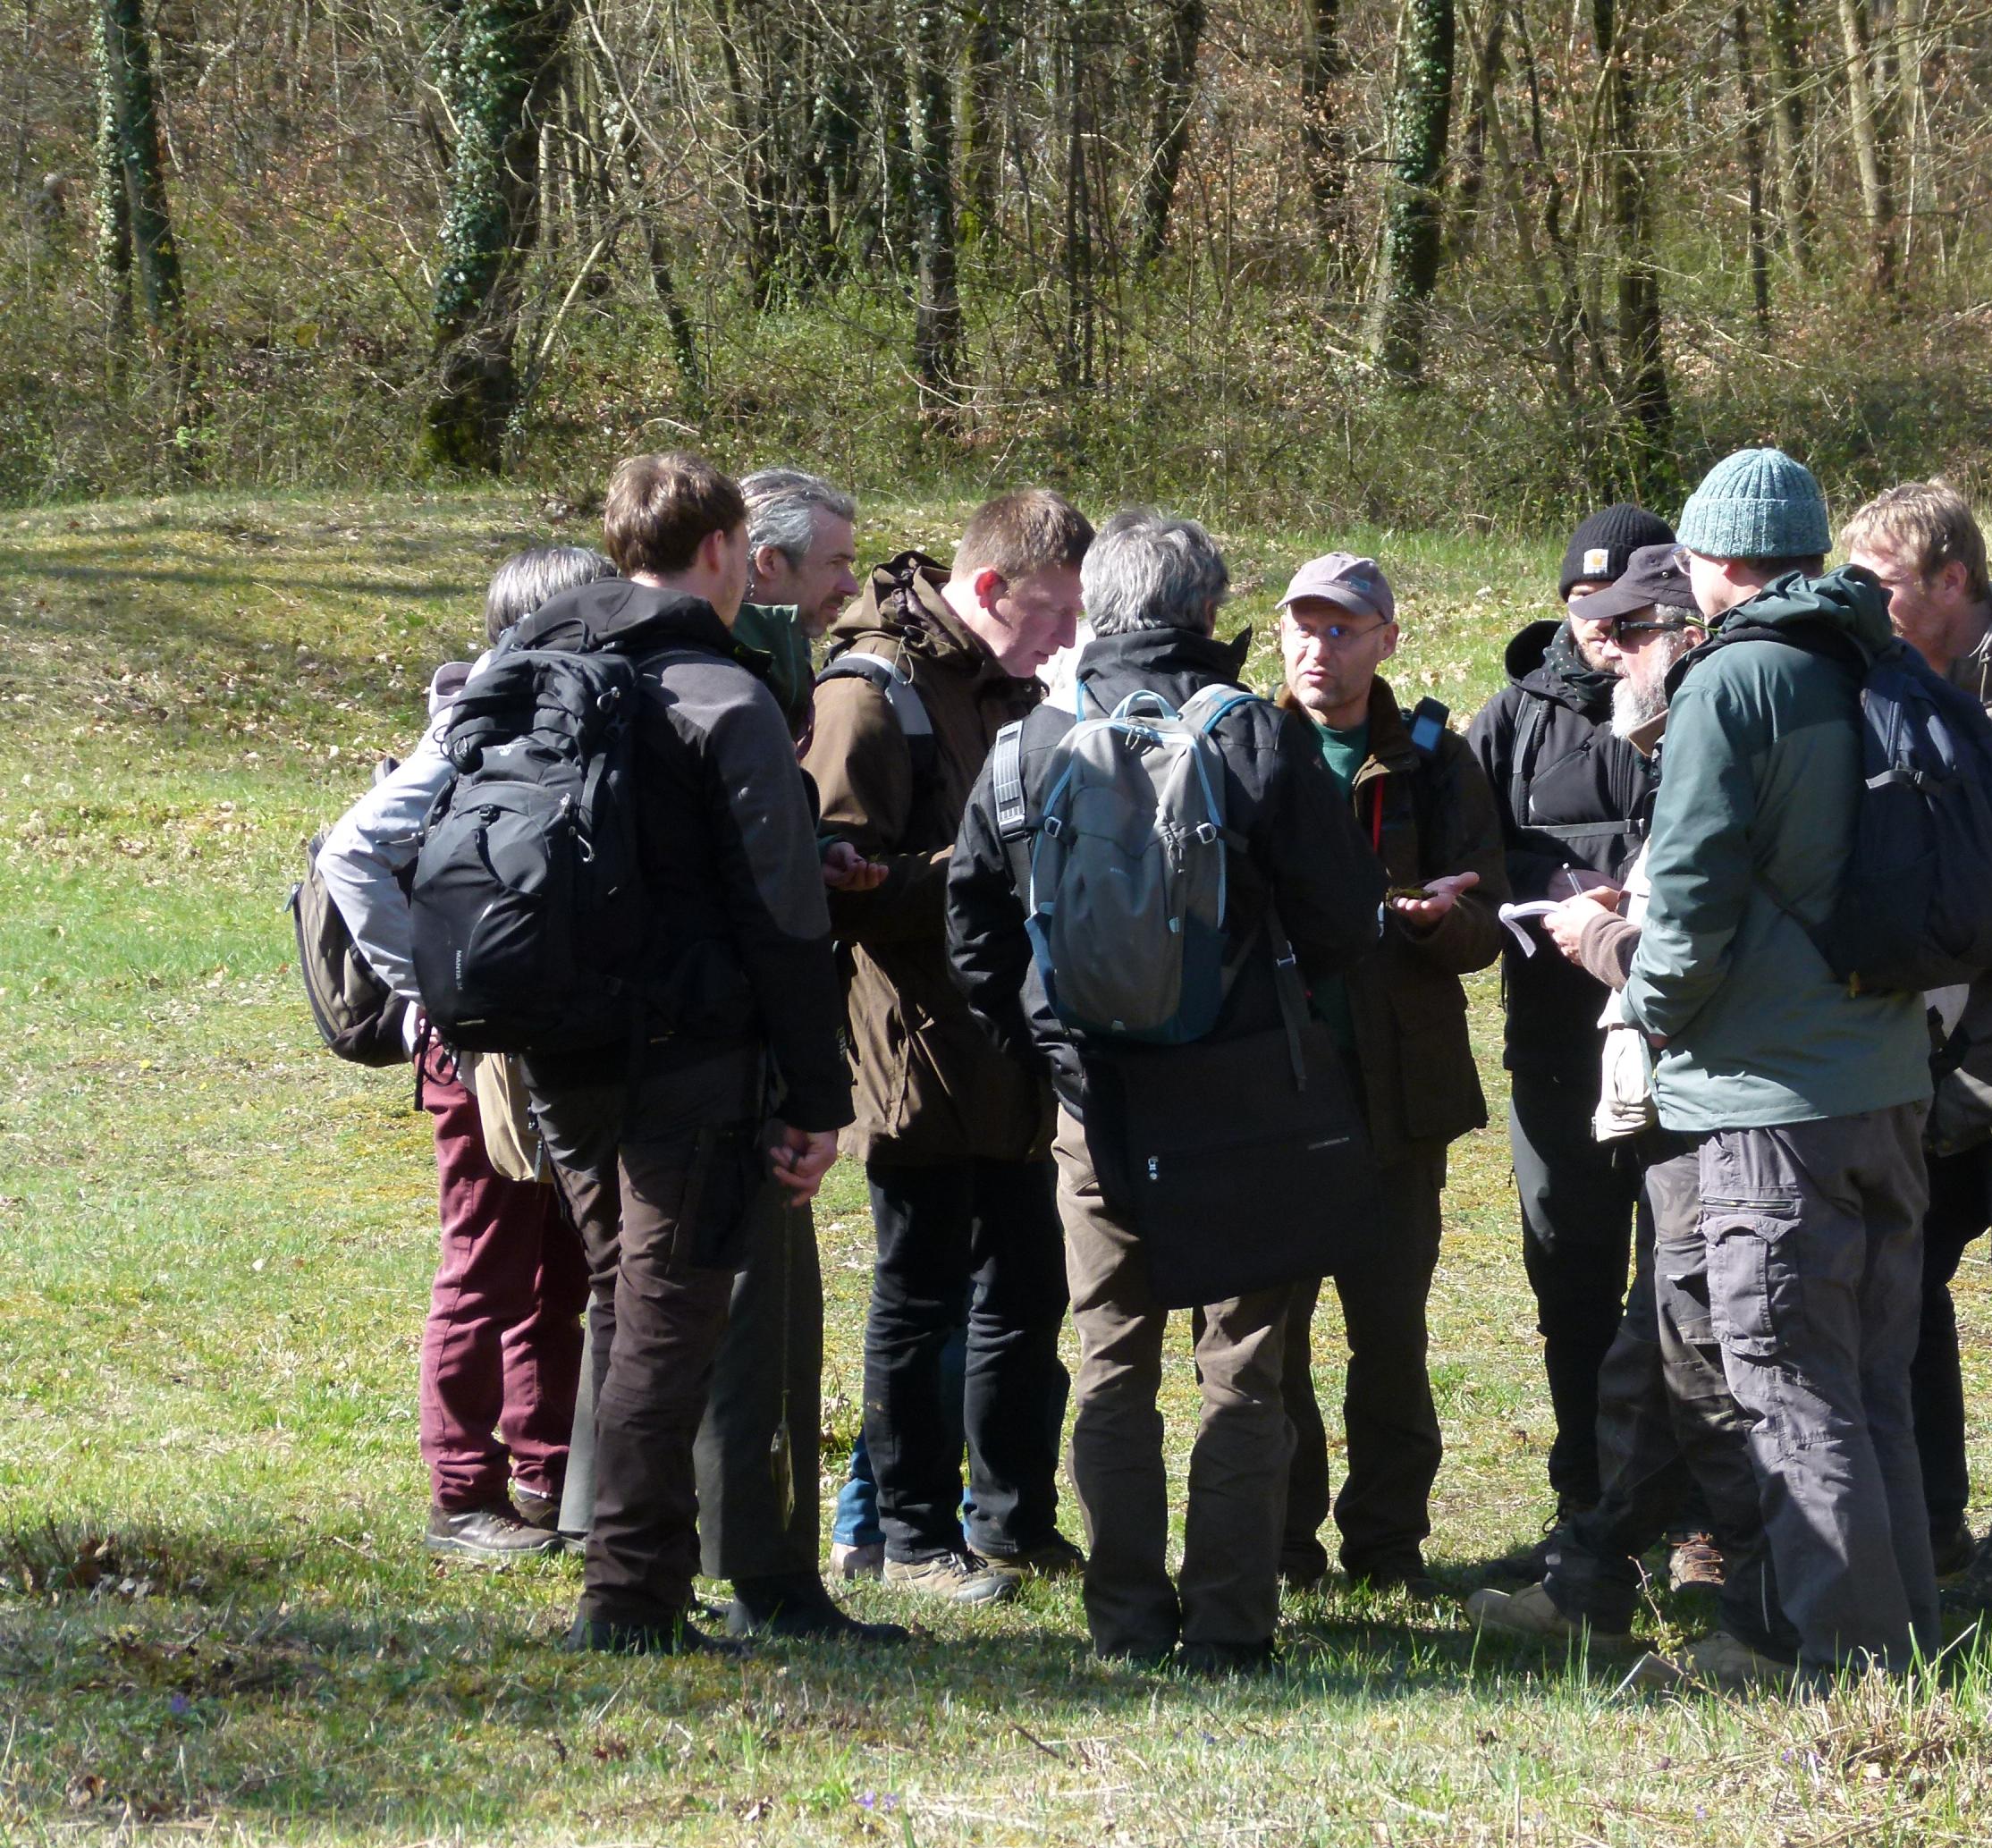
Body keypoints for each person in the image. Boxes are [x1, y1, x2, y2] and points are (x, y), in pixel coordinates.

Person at [947, 510, 1385, 1672]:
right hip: (1248, 1104)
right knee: (1244, 1368)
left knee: (1111, 1361)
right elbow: (1345, 923)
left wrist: (1051, 1054)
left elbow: (975, 934)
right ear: (1205, 613)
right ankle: (1233, 1626)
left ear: (1098, 609)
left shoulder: (1031, 741)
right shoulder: (1258, 740)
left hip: (1094, 1104)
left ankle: (1128, 1621)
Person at [1554, 449, 1940, 1685]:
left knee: (1785, 1382)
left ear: (1713, 564)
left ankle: (1835, 1667)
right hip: (1887, 1080)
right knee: (1872, 1385)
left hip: (1772, 1102)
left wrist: (1622, 965)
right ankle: (1902, 1644)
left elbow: (1698, 898)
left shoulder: (1737, 681)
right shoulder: (1881, 658)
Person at [515, 452, 884, 1656]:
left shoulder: (537, 670)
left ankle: (636, 1579)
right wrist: (819, 1096)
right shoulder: (720, 697)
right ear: (725, 549)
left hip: (556, 1044)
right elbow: (784, 920)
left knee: (626, 1303)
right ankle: (628, 1602)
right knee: (668, 1325)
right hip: (687, 1058)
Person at [1466, 547, 1786, 1676]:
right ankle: (1595, 1568)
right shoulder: (1537, 718)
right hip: (1618, 1070)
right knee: (1649, 1335)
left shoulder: (1728, 730)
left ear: (1674, 629)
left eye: (1625, 627)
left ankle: (1757, 1608)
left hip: (1721, 1091)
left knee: (1701, 1342)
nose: (1604, 645)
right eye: (1586, 620)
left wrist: (1597, 933)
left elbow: (1692, 950)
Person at [805, 488, 1093, 1607]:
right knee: (919, 1292)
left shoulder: (1010, 687)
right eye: (1054, 610)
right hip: (915, 1047)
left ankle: (1012, 1517)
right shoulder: (867, 698)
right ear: (988, 591)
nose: (1068, 638)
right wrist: (998, 870)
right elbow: (840, 890)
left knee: (1025, 1290)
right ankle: (908, 1534)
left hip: (1013, 1041)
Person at [315, 545, 612, 1562]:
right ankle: (460, 1492)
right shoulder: (473, 727)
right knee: (487, 1263)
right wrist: (431, 987)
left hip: (558, 1036)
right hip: (477, 1054)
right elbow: (353, 852)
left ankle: (545, 1468)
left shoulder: (565, 714)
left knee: (562, 1266)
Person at [1843, 481, 1992, 1605]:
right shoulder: (1878, 678)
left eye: (1882, 582)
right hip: (1921, 1052)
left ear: (1952, 580)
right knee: (1905, 1275)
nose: (1862, 601)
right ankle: (1930, 1517)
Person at [1270, 553, 1507, 1594]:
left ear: (1386, 641)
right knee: (1264, 1339)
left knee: (1390, 1335)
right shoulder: (1244, 744)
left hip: (1394, 1091)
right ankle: (1280, 1540)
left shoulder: (1434, 761)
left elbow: (1488, 924)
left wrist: (1446, 918)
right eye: (1304, 628)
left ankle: (1387, 1544)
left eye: (1343, 630)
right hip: (1269, 1089)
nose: (1319, 649)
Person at [1463, 507, 1664, 1538]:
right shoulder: (1511, 718)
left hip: (1678, 1035)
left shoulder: (1697, 698)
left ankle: (1682, 1504)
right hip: (1556, 1042)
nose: (1598, 622)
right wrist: (1555, 879)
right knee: (1569, 1271)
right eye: (1580, 602)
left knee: (1679, 1276)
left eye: (1617, 600)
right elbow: (1471, 855)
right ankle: (1583, 1490)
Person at [727, 468, 864, 732]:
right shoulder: (722, 683)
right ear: (770, 562)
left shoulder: (785, 655)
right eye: (834, 563)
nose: (851, 587)